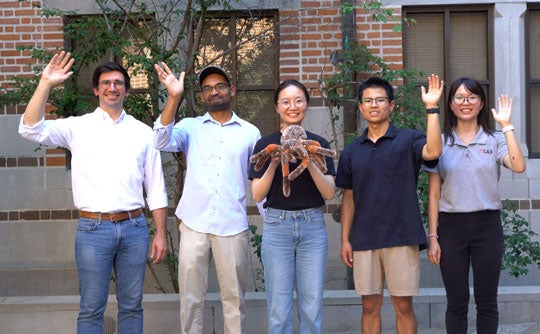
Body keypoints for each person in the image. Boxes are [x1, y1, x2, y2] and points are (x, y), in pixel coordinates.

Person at [18, 51, 169, 334]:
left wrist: (160, 233)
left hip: (135, 228)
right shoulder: (78, 126)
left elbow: (156, 188)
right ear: (96, 89)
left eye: (118, 83)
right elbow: (29, 129)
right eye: (106, 83)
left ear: (127, 89)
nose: (113, 88)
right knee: (90, 308)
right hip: (93, 230)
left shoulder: (143, 132)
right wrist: (45, 83)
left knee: (132, 305)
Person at [153, 63, 261, 333]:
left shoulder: (250, 132)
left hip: (232, 226)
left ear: (231, 90)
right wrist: (173, 97)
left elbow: (259, 179)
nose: (214, 92)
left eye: (220, 86)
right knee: (190, 298)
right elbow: (161, 140)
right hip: (193, 224)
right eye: (208, 88)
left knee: (234, 299)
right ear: (202, 96)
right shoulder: (190, 127)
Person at [335, 75, 444, 334]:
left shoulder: (408, 140)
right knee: (369, 306)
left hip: (401, 235)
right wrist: (345, 240)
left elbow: (433, 152)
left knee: (403, 306)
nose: (374, 105)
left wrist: (432, 108)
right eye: (368, 101)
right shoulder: (352, 150)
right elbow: (348, 199)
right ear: (360, 107)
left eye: (380, 100)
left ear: (391, 105)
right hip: (364, 239)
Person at [425, 77, 526, 334]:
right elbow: (434, 194)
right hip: (451, 227)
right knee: (456, 303)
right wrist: (433, 236)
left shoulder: (493, 139)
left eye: (472, 97)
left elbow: (518, 165)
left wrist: (506, 125)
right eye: (459, 97)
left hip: (486, 226)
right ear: (451, 104)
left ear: (481, 103)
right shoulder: (441, 141)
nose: (465, 102)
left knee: (487, 302)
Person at [248, 79, 336, 334]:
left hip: (312, 227)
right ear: (277, 107)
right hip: (277, 226)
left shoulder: (319, 143)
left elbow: (329, 192)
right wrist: (275, 163)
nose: (292, 106)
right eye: (285, 102)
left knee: (311, 307)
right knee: (278, 308)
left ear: (306, 104)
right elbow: (257, 193)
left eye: (298, 100)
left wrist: (309, 160)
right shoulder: (266, 144)